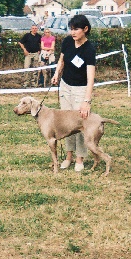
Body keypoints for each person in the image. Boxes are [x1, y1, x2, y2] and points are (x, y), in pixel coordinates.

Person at [51, 14, 96, 172]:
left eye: (76, 29)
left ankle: (79, 158)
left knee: (80, 125)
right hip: (65, 86)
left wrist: (86, 100)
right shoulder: (67, 42)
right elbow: (61, 60)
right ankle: (68, 156)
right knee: (67, 125)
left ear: (85, 29)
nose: (73, 32)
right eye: (71, 29)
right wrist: (57, 73)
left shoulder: (89, 49)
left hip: (81, 89)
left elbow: (91, 78)